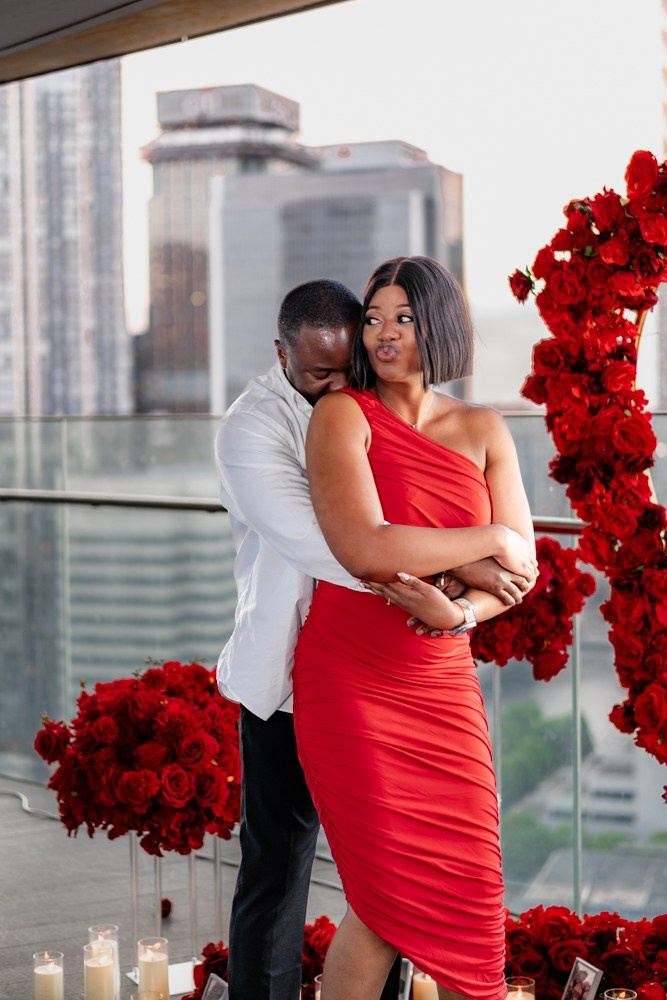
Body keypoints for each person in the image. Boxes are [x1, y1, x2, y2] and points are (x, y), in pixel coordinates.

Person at [216, 277, 535, 1000]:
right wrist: (486, 548)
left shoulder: (483, 427)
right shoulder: (291, 422)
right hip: (327, 667)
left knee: (459, 887)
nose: (381, 337)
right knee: (313, 873)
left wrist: (463, 613)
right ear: (283, 355)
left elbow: (525, 573)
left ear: (439, 327)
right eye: (374, 322)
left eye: (401, 319)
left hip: (438, 678)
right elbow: (352, 548)